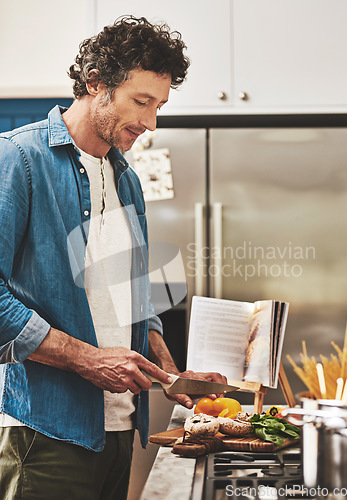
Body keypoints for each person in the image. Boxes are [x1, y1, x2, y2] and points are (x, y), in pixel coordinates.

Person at [0, 15, 227, 500]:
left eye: (159, 105)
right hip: (47, 434)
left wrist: (172, 374)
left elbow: (136, 296)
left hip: (121, 429)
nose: (151, 122)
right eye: (141, 102)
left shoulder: (127, 179)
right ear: (95, 83)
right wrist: (87, 359)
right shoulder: (17, 160)